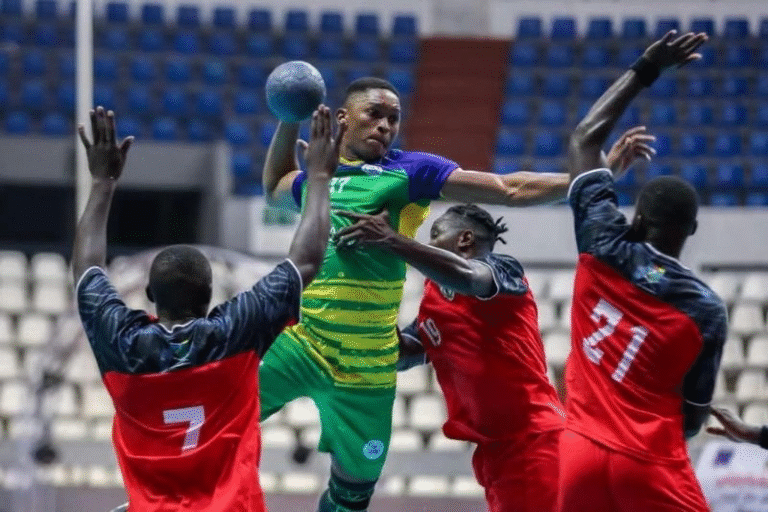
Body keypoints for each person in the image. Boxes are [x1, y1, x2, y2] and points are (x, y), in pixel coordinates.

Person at [260, 76, 642, 512]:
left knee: (351, 498)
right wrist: (288, 120)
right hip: (303, 343)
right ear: (342, 119)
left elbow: (509, 189)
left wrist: (592, 176)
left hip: (368, 366)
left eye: (394, 119)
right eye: (375, 115)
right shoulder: (319, 178)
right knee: (217, 411)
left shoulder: (410, 170)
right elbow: (274, 185)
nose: (386, 126)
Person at [73, 105, 343, 511]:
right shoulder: (235, 330)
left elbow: (87, 270)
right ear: (209, 296)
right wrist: (320, 177)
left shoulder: (121, 344)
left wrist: (102, 182)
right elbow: (305, 261)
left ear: (149, 294)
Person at [556, 30, 728, 512]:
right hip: (650, 461)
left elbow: (584, 137)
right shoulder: (705, 309)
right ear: (691, 229)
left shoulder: (602, 240)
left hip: (580, 452)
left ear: (639, 217)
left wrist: (645, 68)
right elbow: (693, 420)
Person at [332, 203, 567, 512]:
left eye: (435, 234)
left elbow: (469, 278)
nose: (428, 244)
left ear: (464, 240)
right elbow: (401, 354)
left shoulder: (503, 270)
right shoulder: (434, 297)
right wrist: (364, 306)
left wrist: (393, 240)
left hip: (534, 439)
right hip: (494, 449)